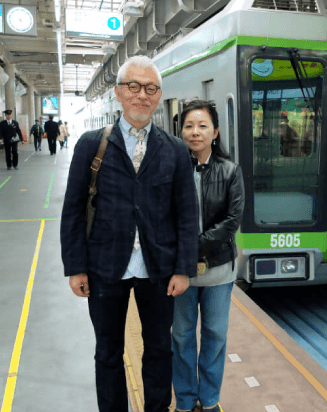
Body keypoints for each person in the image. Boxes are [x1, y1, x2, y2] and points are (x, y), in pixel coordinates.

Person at [60, 55, 199, 412]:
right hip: (105, 267)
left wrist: (184, 268)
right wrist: (76, 267)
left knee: (158, 349)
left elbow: (187, 214)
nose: (142, 95)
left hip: (158, 269)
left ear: (159, 96)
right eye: (134, 87)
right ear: (120, 92)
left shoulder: (175, 150)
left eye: (150, 88)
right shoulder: (92, 145)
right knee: (107, 351)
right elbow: (74, 209)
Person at [172, 100, 245, 412]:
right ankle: (186, 400)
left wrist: (193, 245)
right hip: (181, 271)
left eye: (202, 126)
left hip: (218, 269)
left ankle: (210, 399)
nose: (195, 132)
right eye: (189, 126)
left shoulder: (230, 171)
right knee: (182, 336)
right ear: (181, 132)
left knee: (215, 334)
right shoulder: (171, 169)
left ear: (215, 132)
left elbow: (232, 221)